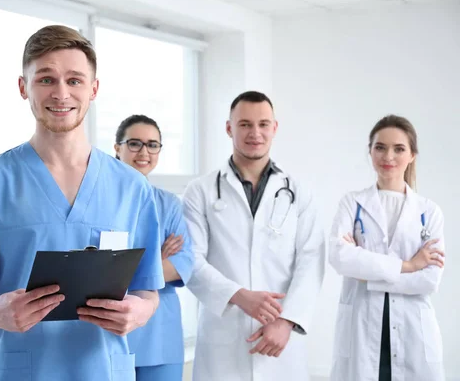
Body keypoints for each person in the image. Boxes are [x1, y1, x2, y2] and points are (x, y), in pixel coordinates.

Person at [0, 25, 164, 381]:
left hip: (105, 371)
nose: (61, 93)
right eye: (46, 79)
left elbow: (147, 290)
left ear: (93, 89)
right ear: (23, 87)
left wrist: (140, 311)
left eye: (75, 80)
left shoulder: (132, 187)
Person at [182, 91, 325, 381]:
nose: (255, 133)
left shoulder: (298, 192)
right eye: (245, 124)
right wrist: (239, 296)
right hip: (223, 339)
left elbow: (311, 261)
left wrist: (286, 321)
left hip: (280, 340)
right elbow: (190, 261)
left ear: (275, 128)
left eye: (263, 124)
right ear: (228, 128)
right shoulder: (200, 191)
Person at [329, 115, 446, 381]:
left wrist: (366, 271)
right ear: (370, 151)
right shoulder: (352, 203)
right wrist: (409, 265)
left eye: (399, 148)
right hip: (361, 330)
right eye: (380, 147)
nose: (388, 156)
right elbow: (340, 258)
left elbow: (429, 280)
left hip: (413, 331)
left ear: (412, 155)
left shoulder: (429, 212)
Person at [113, 114, 194, 381]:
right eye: (134, 143)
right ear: (117, 148)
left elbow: (183, 264)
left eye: (153, 144)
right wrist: (156, 260)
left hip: (160, 334)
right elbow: (91, 268)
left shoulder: (168, 204)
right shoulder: (96, 201)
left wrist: (123, 270)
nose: (144, 152)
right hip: (109, 331)